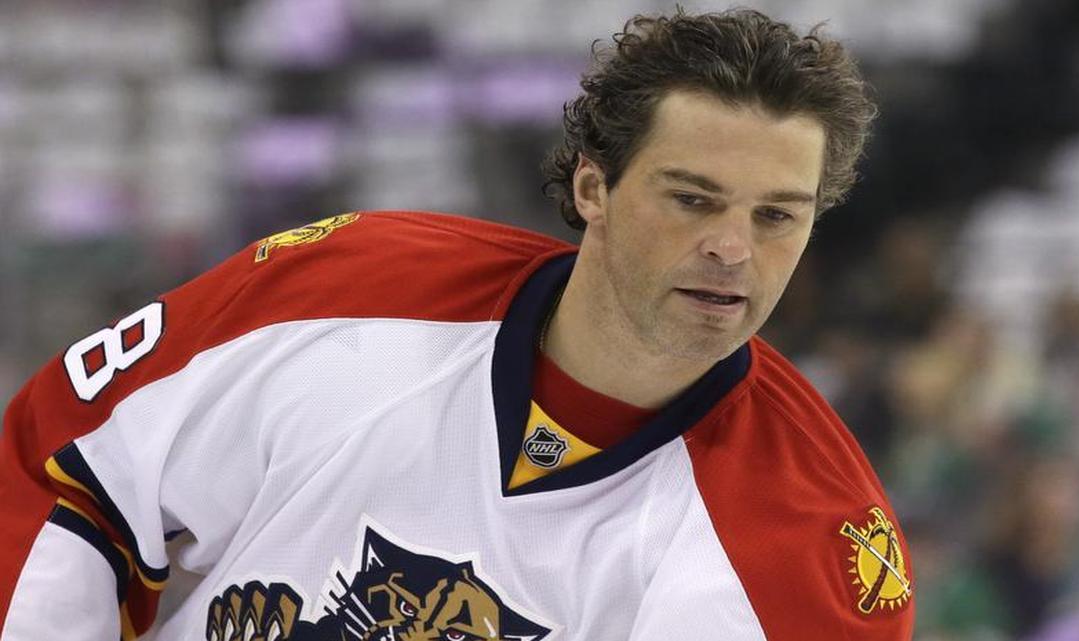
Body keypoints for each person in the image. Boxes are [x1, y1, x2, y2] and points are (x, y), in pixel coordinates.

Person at [0, 9, 913, 641]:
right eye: (693, 198)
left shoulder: (809, 558)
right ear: (593, 185)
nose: (731, 249)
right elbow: (65, 475)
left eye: (776, 216)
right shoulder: (341, 289)